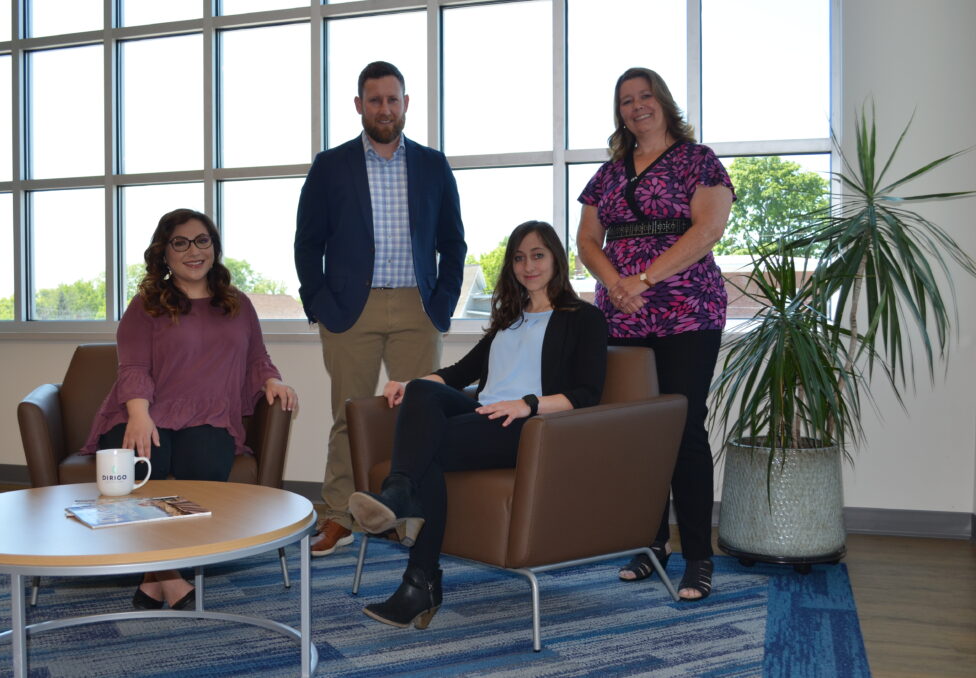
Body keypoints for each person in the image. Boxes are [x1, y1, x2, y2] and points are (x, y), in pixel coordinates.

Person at [348, 221, 607, 629]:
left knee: (425, 450)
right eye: (519, 257)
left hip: (530, 428)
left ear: (556, 258)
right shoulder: (510, 319)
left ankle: (417, 570)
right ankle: (401, 498)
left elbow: (588, 394)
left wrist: (527, 405)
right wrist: (407, 385)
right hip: (481, 418)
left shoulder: (583, 318)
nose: (528, 265)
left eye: (538, 254)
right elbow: (457, 373)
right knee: (422, 391)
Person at [83, 208, 297, 610]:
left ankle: (154, 577)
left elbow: (256, 358)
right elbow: (133, 366)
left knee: (203, 476)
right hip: (145, 413)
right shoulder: (146, 303)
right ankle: (174, 580)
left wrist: (271, 380)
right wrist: (140, 415)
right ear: (164, 254)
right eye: (179, 243)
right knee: (148, 475)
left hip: (210, 417)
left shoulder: (236, 303)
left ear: (214, 247)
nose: (193, 251)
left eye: (202, 240)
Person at [294, 61, 466, 557]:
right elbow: (307, 244)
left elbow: (453, 244)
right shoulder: (331, 166)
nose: (384, 109)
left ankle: (410, 519)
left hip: (418, 306)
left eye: (393, 99)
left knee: (420, 417)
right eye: (375, 100)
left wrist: (442, 305)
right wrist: (320, 305)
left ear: (406, 104)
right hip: (352, 309)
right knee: (348, 416)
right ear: (359, 106)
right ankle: (338, 516)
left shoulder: (434, 165)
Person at [576, 68, 735, 601]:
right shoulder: (608, 173)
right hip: (621, 315)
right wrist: (617, 285)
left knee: (684, 428)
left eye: (645, 97)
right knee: (637, 434)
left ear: (663, 102)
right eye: (626, 101)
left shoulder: (698, 160)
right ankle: (648, 545)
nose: (637, 106)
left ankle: (697, 558)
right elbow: (587, 239)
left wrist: (642, 278)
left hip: (688, 310)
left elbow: (708, 229)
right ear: (619, 112)